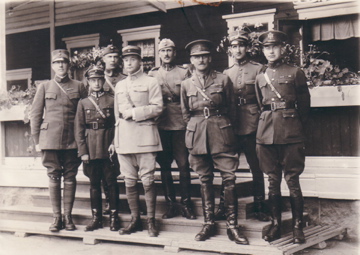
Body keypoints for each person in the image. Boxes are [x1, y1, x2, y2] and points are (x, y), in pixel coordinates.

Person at [180, 39, 248, 245]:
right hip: (197, 134)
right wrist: (196, 128)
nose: (200, 60)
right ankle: (208, 222)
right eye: (196, 57)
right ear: (191, 60)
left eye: (204, 56)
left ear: (210, 58)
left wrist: (225, 128)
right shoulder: (186, 84)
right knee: (204, 179)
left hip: (221, 132)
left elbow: (232, 110)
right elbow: (185, 114)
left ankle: (232, 226)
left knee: (229, 179)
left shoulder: (223, 79)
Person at [255, 30, 311, 243]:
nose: (271, 51)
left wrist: (297, 131)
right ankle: (276, 224)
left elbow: (305, 108)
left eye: (275, 46)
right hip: (266, 134)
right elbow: (262, 104)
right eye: (267, 47)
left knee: (293, 181)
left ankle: (297, 227)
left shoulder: (295, 72)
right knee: (272, 181)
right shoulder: (261, 76)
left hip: (291, 133)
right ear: (263, 50)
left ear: (283, 48)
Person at [30, 49, 88, 232]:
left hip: (72, 139)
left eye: (64, 62)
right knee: (54, 175)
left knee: (70, 176)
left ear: (69, 65)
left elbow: (86, 113)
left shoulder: (79, 86)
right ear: (53, 66)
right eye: (57, 62)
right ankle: (56, 218)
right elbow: (36, 114)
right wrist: (37, 140)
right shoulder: (45, 87)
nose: (61, 65)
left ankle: (68, 217)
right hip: (50, 139)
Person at [215, 30, 269, 222]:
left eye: (241, 46)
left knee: (256, 166)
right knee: (228, 167)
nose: (238, 50)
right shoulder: (226, 73)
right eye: (234, 46)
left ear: (247, 48)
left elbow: (264, 98)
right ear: (230, 50)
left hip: (253, 123)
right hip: (232, 124)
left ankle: (260, 206)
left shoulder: (259, 69)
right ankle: (224, 206)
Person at [114, 45, 163, 237]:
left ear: (140, 61)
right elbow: (116, 117)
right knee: (129, 181)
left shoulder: (151, 82)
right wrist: (114, 140)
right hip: (124, 138)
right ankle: (135, 220)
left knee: (148, 180)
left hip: (145, 138)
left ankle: (151, 220)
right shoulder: (119, 85)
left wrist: (134, 113)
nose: (128, 63)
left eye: (132, 59)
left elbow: (158, 107)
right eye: (126, 60)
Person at [148, 39, 196, 220]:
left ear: (174, 53)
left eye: (169, 50)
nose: (166, 54)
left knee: (184, 165)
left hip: (180, 123)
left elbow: (188, 98)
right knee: (164, 165)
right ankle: (170, 204)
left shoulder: (184, 72)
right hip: (161, 123)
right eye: (163, 51)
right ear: (158, 54)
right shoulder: (153, 74)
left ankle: (186, 204)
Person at [74, 64, 120, 232]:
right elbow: (78, 129)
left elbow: (117, 124)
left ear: (103, 81)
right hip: (91, 147)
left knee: (111, 182)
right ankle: (96, 218)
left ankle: (114, 217)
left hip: (108, 145)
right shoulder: (83, 102)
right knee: (94, 184)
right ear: (88, 82)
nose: (96, 83)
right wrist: (83, 152)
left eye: (99, 80)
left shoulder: (111, 100)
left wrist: (115, 142)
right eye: (93, 80)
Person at [100, 44, 126, 215]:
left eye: (116, 57)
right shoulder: (97, 79)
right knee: (106, 165)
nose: (113, 60)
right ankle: (109, 200)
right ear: (103, 59)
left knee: (128, 163)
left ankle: (132, 202)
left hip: (124, 125)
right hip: (105, 127)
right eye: (110, 57)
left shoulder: (125, 78)